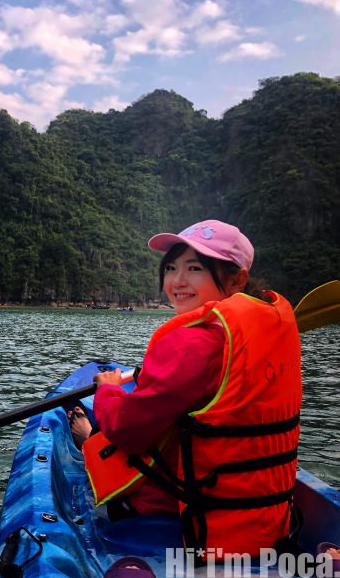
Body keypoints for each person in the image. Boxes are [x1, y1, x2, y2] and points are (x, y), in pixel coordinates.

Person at [70, 219, 302, 559]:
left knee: (108, 430)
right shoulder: (256, 332)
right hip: (266, 519)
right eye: (171, 268)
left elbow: (129, 431)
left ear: (237, 278)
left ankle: (88, 435)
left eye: (195, 268)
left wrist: (107, 389)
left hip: (187, 516)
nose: (177, 281)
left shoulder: (193, 343)